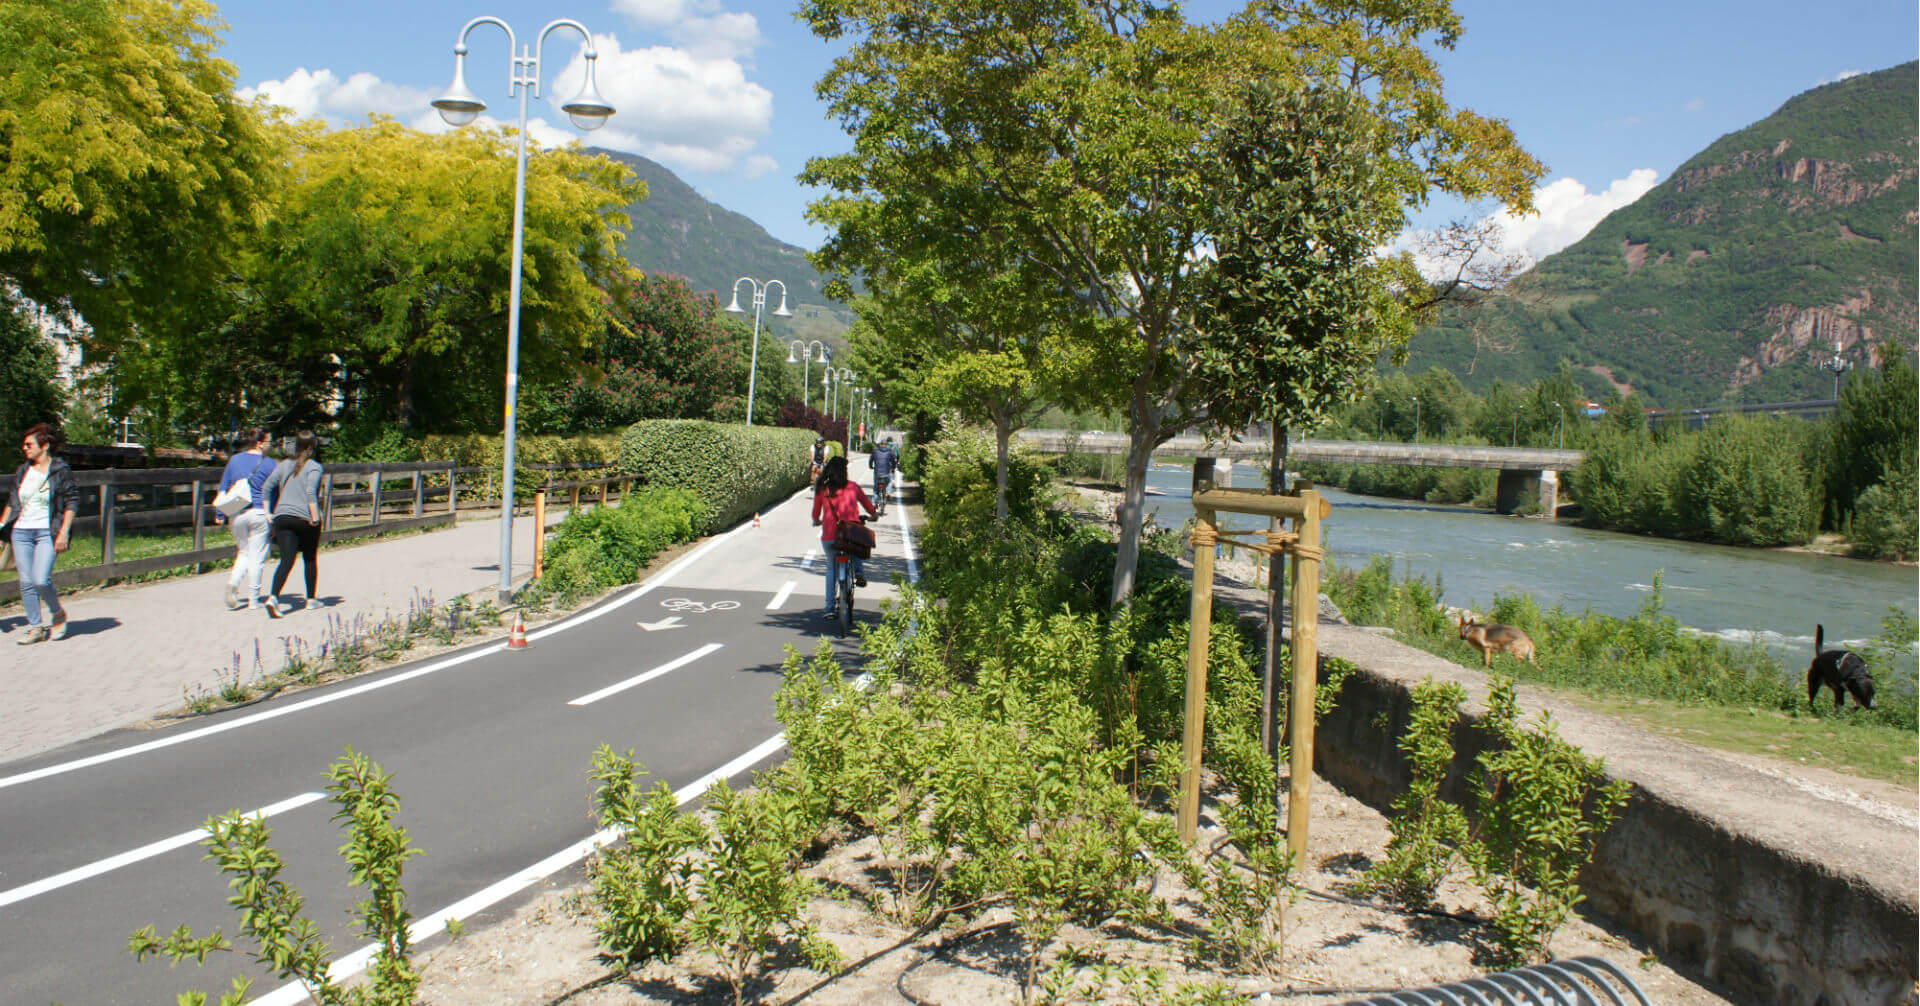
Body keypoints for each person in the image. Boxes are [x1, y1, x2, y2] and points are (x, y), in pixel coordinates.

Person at [3, 423, 80, 645]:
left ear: (44, 446)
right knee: (26, 581)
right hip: (21, 531)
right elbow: (12, 501)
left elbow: (71, 502)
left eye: (29, 444)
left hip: (48, 530)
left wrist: (64, 532)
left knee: (40, 578)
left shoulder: (60, 470)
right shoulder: (22, 470)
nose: (24, 448)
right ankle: (35, 627)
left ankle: (57, 613)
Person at [260, 431, 324, 618]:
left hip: (282, 517)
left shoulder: (284, 465)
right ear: (311, 448)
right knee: (310, 558)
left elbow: (266, 487)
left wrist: (268, 514)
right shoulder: (314, 467)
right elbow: (311, 492)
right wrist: (315, 518)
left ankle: (273, 597)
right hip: (303, 518)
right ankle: (311, 599)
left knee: (286, 560)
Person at [215, 429, 277, 611]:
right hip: (259, 512)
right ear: (260, 443)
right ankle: (253, 599)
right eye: (269, 440)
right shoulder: (269, 463)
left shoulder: (234, 460)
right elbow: (274, 492)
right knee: (257, 558)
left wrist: (220, 514)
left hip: (237, 512)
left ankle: (233, 585)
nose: (270, 444)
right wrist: (272, 516)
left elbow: (223, 488)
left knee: (243, 552)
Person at [810, 455, 875, 618]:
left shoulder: (822, 489)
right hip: (849, 535)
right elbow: (868, 505)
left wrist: (817, 521)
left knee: (831, 568)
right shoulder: (852, 487)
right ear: (844, 472)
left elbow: (815, 513)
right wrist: (874, 515)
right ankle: (859, 571)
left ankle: (829, 608)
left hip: (829, 537)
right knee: (856, 546)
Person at [869, 436, 899, 511]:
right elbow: (894, 462)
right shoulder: (890, 452)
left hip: (877, 474)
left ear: (880, 444)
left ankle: (875, 503)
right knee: (888, 483)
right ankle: (888, 491)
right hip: (886, 474)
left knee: (876, 488)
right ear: (886, 445)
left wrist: (871, 466)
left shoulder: (875, 451)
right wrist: (893, 467)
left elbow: (870, 461)